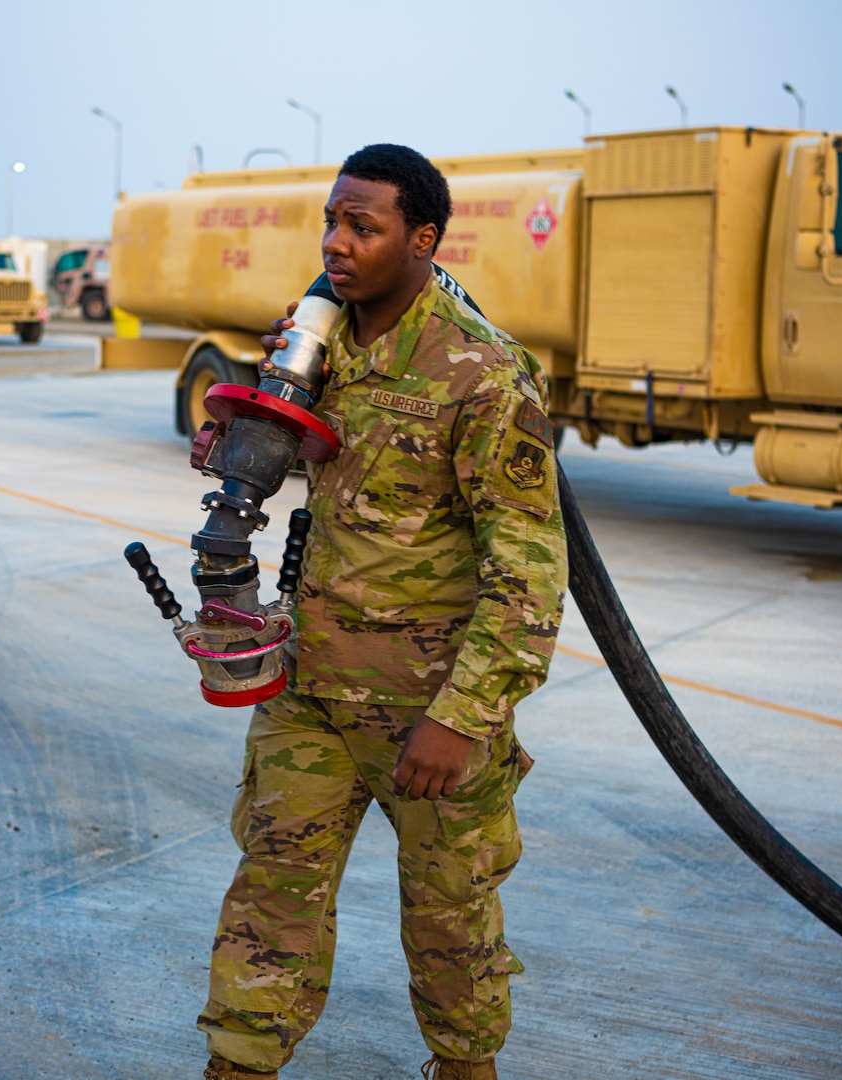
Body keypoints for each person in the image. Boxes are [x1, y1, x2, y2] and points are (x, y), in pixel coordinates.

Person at [199, 144, 567, 1080]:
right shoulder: (317, 344)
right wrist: (238, 438)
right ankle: (236, 1068)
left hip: (429, 720)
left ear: (423, 239)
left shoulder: (483, 373)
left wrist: (459, 719)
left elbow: (529, 576)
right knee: (269, 902)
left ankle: (466, 1069)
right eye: (333, 221)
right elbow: (275, 448)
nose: (338, 242)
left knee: (450, 929)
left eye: (364, 226)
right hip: (309, 692)